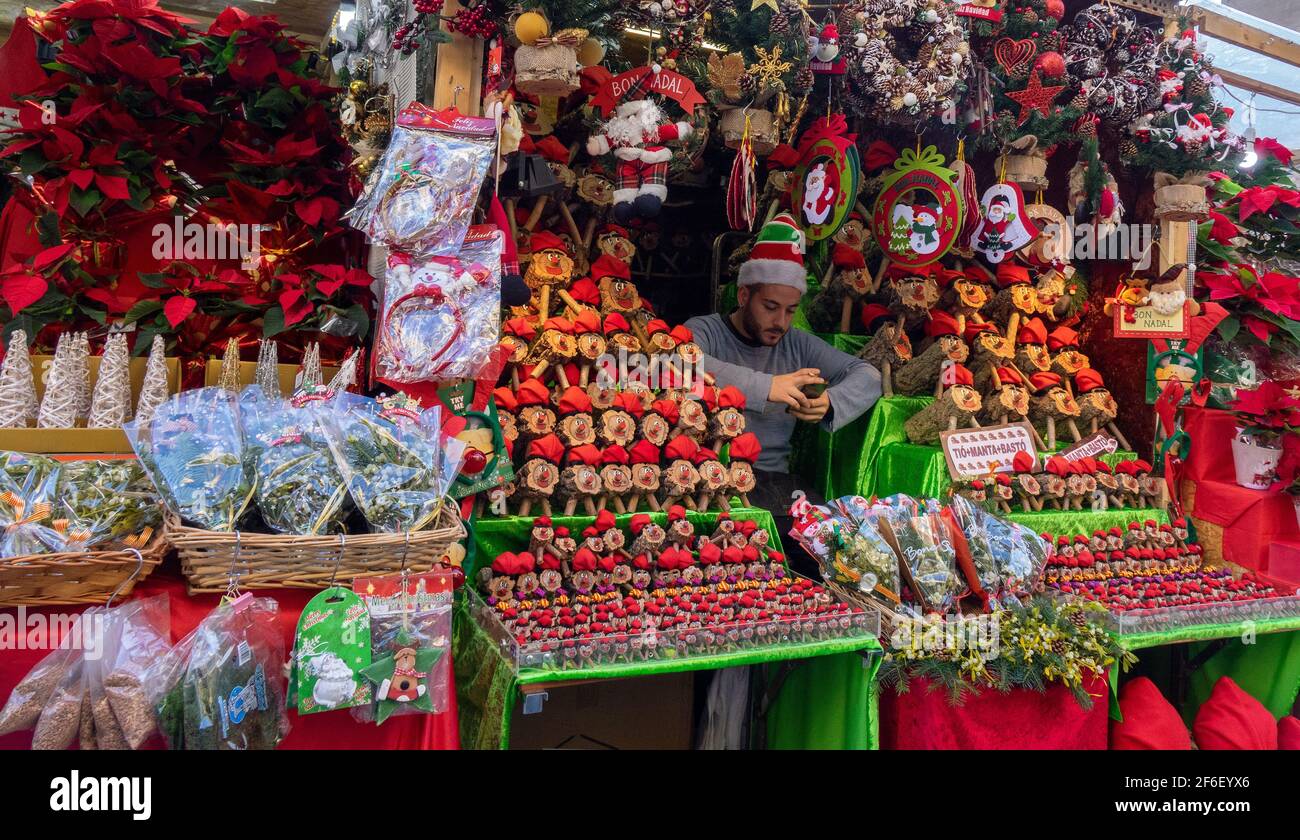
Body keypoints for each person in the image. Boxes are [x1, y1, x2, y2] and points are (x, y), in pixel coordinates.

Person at [685, 213, 882, 571]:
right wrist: (767, 386)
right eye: (770, 307)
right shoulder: (704, 330)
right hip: (707, 483)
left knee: (833, 554)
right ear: (744, 294)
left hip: (775, 485)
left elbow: (868, 375)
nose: (781, 322)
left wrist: (830, 403)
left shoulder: (797, 343)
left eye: (791, 311)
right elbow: (681, 365)